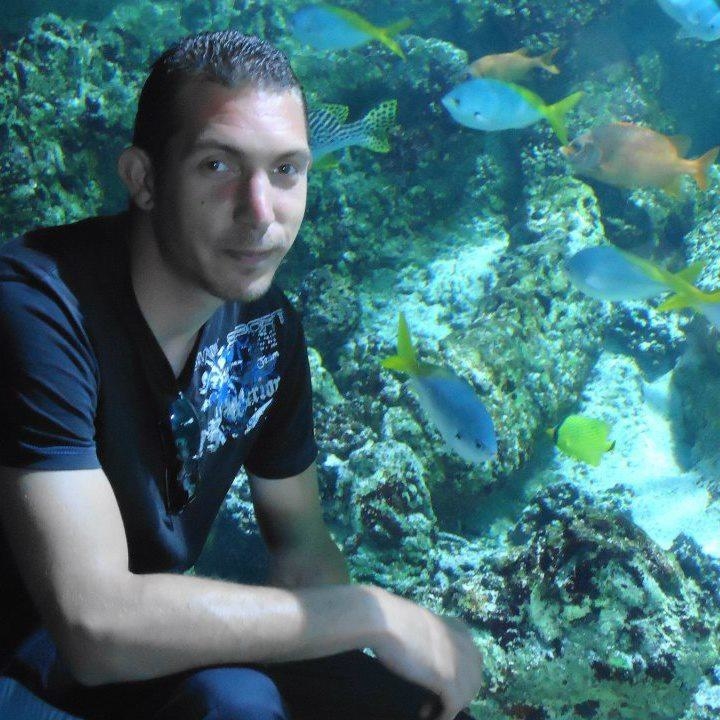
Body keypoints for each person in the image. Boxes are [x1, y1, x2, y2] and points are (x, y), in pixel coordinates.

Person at [0, 30, 483, 720]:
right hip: (30, 655)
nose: (261, 213)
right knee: (237, 704)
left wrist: (388, 678)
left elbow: (303, 552)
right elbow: (94, 626)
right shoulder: (37, 309)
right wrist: (371, 613)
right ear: (143, 179)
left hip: (139, 653)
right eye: (218, 166)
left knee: (415, 704)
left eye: (286, 170)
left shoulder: (266, 330)